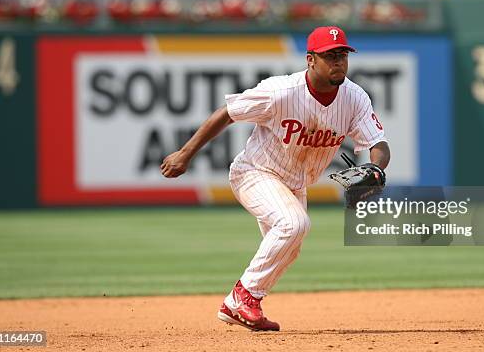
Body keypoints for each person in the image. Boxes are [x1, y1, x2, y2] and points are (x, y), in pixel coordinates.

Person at [160, 26, 391, 332]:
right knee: (294, 224)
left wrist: (376, 169)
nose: (338, 62)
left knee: (290, 246)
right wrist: (185, 153)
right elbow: (227, 113)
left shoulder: (354, 97)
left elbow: (378, 144)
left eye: (343, 55)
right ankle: (241, 299)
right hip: (255, 173)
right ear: (310, 60)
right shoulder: (280, 91)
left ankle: (246, 303)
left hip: (294, 183)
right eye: (330, 56)